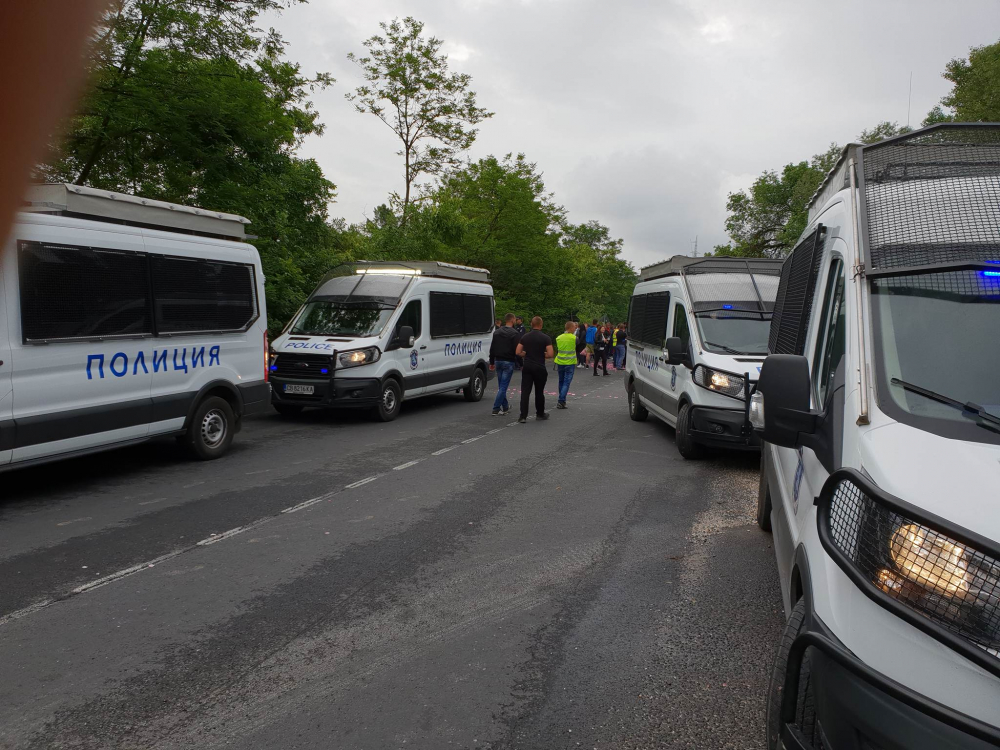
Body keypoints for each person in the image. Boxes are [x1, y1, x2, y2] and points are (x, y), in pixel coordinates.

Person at [515, 316, 553, 423]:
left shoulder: (525, 337)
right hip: (539, 367)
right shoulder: (546, 338)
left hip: (527, 366)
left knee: (525, 391)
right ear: (541, 325)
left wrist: (526, 354)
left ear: (531, 324)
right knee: (539, 391)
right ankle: (540, 413)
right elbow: (550, 354)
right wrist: (541, 354)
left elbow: (518, 352)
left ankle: (523, 416)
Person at [489, 313, 521, 416]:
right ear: (512, 320)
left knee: (501, 386)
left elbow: (492, 348)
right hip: (508, 361)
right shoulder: (515, 333)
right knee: (503, 387)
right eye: (515, 319)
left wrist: (492, 362)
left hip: (498, 360)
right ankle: (496, 408)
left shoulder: (497, 332)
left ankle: (505, 406)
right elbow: (517, 350)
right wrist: (521, 364)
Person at [554, 321, 578, 409]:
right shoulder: (574, 338)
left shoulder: (558, 338)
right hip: (570, 362)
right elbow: (578, 346)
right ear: (571, 328)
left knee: (561, 381)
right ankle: (561, 400)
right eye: (574, 327)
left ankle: (562, 400)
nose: (575, 328)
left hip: (560, 362)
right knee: (566, 382)